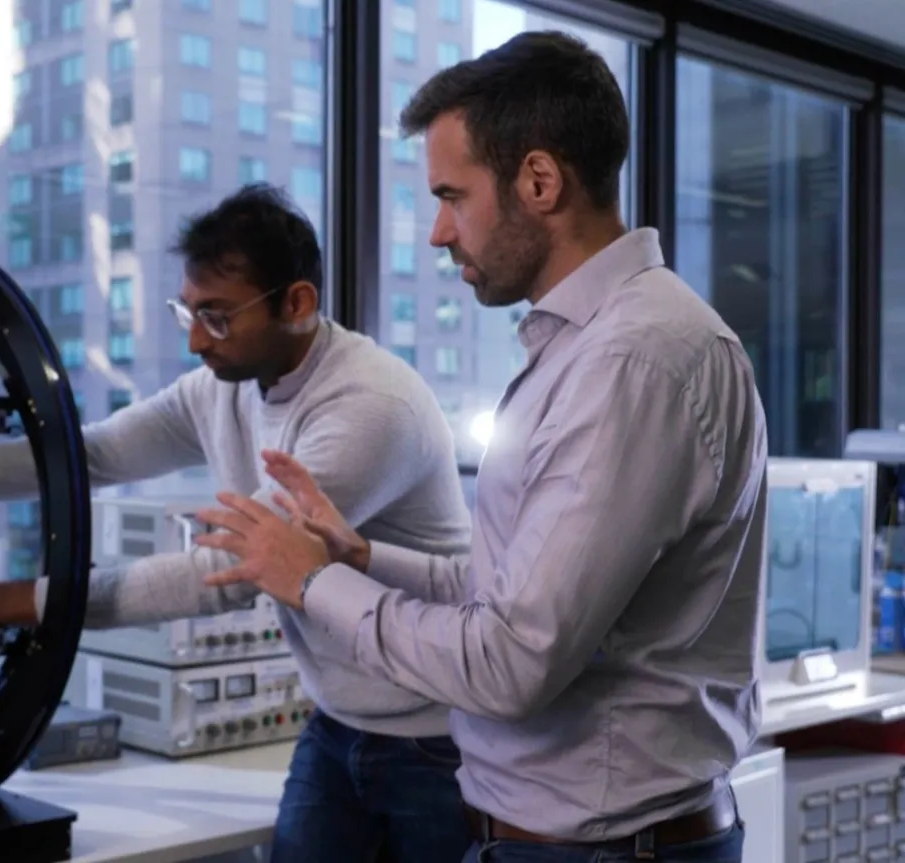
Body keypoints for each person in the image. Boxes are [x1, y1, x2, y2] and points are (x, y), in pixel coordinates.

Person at [188, 31, 766, 863]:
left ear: (538, 181)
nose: (436, 234)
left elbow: (510, 662)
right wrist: (359, 556)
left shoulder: (634, 362)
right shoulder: (586, 349)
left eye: (453, 197)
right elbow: (511, 587)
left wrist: (312, 583)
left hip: (601, 849)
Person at [0, 183, 476, 861]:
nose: (195, 339)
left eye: (217, 317)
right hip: (337, 720)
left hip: (435, 737)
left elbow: (229, 574)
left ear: (297, 303)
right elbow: (93, 453)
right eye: (187, 312)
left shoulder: (367, 407)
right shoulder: (226, 385)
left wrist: (11, 602)